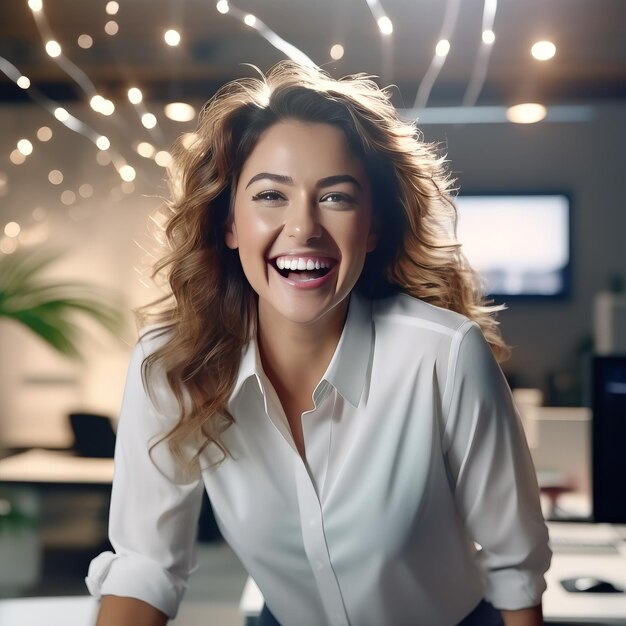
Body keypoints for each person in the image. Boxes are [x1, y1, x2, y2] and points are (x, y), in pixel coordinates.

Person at [86, 61, 551, 626]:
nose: (303, 228)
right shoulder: (171, 368)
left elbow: (514, 567)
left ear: (372, 227)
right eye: (270, 196)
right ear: (230, 223)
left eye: (335, 197)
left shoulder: (445, 356)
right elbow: (145, 566)